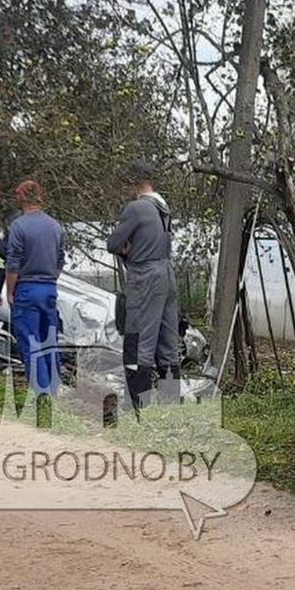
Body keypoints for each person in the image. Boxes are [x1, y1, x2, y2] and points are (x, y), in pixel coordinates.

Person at [106, 161, 180, 409]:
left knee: (140, 339)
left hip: (145, 274)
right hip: (166, 272)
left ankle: (139, 405)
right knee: (168, 340)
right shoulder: (162, 206)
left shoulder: (136, 207)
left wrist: (127, 249)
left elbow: (113, 243)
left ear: (134, 182)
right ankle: (170, 402)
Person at [6, 180, 65, 398]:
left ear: (21, 197)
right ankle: (54, 388)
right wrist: (50, 280)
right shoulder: (55, 226)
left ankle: (42, 394)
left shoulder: (19, 226)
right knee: (50, 337)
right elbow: (60, 260)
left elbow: (13, 263)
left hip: (26, 288)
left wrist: (10, 291)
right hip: (49, 287)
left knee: (30, 341)